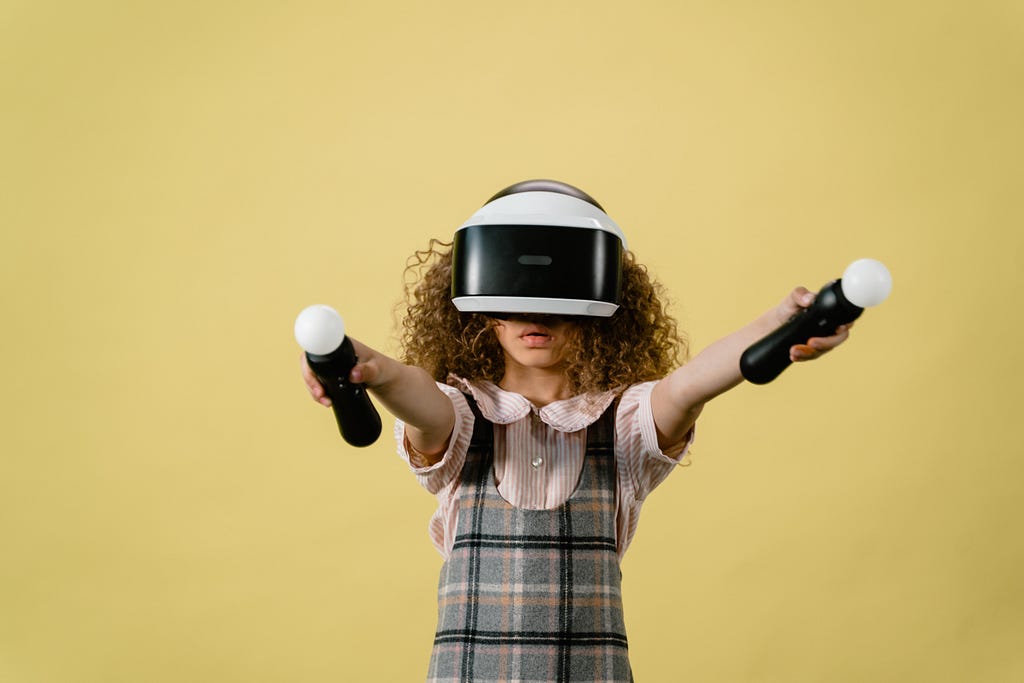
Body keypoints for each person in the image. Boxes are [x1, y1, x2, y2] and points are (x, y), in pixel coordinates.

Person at [301, 180, 850, 682]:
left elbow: (688, 386)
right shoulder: (459, 414)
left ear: (599, 308)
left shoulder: (627, 425)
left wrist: (783, 322)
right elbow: (421, 401)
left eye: (555, 298)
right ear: (483, 308)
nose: (533, 315)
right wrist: (366, 366)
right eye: (513, 296)